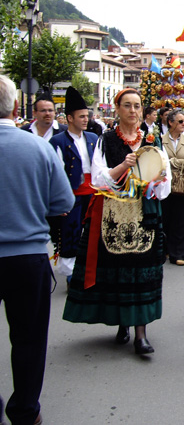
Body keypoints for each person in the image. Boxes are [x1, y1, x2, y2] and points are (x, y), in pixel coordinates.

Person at [63, 88, 171, 356]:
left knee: (143, 271)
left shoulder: (153, 140)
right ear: (117, 109)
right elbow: (98, 180)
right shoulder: (106, 140)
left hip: (145, 212)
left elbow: (165, 182)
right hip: (114, 212)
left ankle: (141, 334)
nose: (133, 111)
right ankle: (122, 323)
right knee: (119, 270)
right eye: (127, 106)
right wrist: (124, 165)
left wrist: (157, 181)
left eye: (137, 106)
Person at [0, 75, 74, 425]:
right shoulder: (39, 148)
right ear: (17, 108)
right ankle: (25, 409)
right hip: (27, 256)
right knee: (28, 338)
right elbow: (63, 201)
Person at [48, 87, 99, 285]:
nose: (86, 120)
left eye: (87, 116)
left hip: (93, 193)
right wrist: (59, 201)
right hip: (72, 195)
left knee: (91, 235)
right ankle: (71, 275)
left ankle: (90, 272)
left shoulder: (93, 138)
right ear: (70, 118)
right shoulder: (58, 141)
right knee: (71, 234)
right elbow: (57, 174)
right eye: (81, 116)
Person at [161, 109, 184, 266]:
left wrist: (170, 162)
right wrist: (175, 162)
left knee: (182, 218)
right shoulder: (160, 140)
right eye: (180, 121)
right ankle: (166, 248)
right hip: (166, 183)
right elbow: (159, 160)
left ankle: (179, 253)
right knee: (166, 216)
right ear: (171, 122)